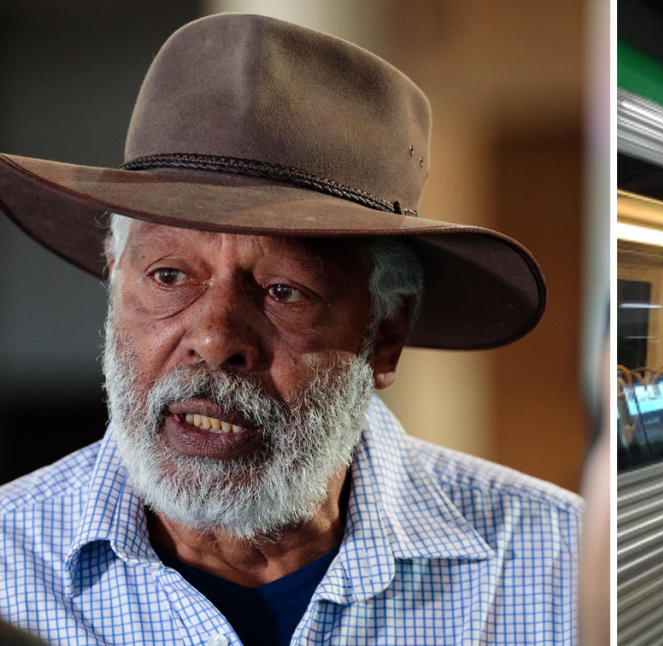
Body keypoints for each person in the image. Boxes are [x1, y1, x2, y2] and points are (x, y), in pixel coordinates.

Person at [0, 13, 579, 646]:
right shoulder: (11, 560)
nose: (216, 340)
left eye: (283, 291)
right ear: (115, 282)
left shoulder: (562, 570)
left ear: (385, 335)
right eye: (169, 277)